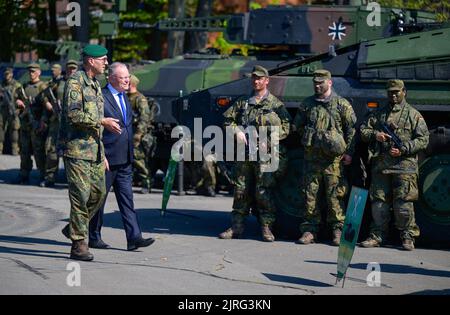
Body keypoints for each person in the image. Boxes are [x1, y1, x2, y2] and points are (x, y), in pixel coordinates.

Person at [219, 65, 291, 242]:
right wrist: (236, 132)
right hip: (245, 154)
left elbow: (287, 127)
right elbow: (228, 120)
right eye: (254, 78)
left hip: (265, 154)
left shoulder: (275, 104)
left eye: (259, 78)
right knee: (241, 190)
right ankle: (236, 227)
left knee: (264, 191)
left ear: (267, 81)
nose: (256, 81)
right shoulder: (243, 102)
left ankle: (266, 227)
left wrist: (272, 138)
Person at [60, 44, 118, 261]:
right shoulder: (75, 82)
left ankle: (75, 227)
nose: (106, 62)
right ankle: (79, 246)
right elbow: (73, 116)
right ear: (90, 61)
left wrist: (102, 154)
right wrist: (102, 120)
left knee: (98, 194)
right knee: (80, 197)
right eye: (103, 59)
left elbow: (97, 130)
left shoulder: (94, 84)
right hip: (76, 150)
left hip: (94, 152)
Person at [89, 62, 155, 251]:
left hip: (125, 158)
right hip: (107, 158)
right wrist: (100, 154)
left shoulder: (124, 96)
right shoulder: (101, 96)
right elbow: (94, 129)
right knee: (98, 200)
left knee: (127, 200)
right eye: (123, 77)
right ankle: (92, 236)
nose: (127, 80)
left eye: (128, 77)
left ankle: (134, 237)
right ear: (110, 78)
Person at [359, 79, 429, 251]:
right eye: (390, 91)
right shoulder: (379, 114)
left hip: (404, 166)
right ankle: (377, 235)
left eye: (397, 91)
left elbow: (423, 139)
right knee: (379, 203)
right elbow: (363, 131)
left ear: (404, 91)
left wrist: (404, 148)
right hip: (382, 165)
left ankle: (407, 237)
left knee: (403, 203)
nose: (394, 94)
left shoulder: (413, 115)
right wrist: (376, 135)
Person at [293, 69, 356, 246]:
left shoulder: (341, 104)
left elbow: (351, 130)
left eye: (321, 82)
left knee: (335, 196)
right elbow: (297, 126)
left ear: (330, 83)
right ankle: (309, 230)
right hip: (312, 159)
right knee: (310, 196)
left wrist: (349, 152)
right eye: (315, 82)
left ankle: (337, 230)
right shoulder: (307, 104)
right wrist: (310, 138)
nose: (317, 85)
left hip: (332, 162)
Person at [41, 60, 78, 187]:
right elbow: (45, 93)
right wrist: (47, 103)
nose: (72, 71)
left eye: (74, 69)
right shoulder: (58, 82)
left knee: (72, 151)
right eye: (69, 68)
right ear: (66, 69)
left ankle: (72, 179)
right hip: (56, 121)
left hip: (73, 123)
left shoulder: (80, 83)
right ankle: (50, 177)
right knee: (51, 150)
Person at [14, 63, 48, 185]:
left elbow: (46, 107)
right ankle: (24, 174)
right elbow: (17, 99)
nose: (31, 73)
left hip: (37, 124)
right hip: (25, 124)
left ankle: (43, 175)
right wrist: (17, 101)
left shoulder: (42, 87)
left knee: (39, 151)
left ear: (39, 72)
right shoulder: (24, 87)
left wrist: (43, 121)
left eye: (33, 71)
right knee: (24, 151)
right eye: (29, 71)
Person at [127, 74, 155, 194]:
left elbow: (145, 117)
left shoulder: (140, 99)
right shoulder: (125, 96)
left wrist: (138, 134)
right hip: (126, 132)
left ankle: (146, 182)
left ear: (131, 83)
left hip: (136, 132)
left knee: (138, 159)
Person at [0, 68, 21, 155]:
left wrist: (18, 109)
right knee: (0, 128)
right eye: (5, 74)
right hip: (2, 110)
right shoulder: (1, 85)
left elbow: (21, 97)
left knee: (14, 129)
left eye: (8, 74)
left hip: (13, 110)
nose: (7, 76)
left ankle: (15, 149)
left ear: (11, 74)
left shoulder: (17, 85)